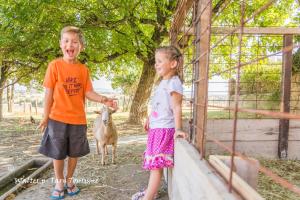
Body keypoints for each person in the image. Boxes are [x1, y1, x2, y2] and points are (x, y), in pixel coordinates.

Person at [38, 26, 117, 199]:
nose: (70, 44)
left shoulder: (83, 69)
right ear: (61, 44)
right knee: (57, 153)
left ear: (81, 46)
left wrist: (103, 99)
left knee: (74, 153)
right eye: (66, 41)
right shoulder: (54, 66)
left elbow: (88, 92)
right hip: (56, 118)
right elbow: (48, 93)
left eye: (75, 42)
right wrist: (45, 117)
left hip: (78, 120)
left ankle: (69, 180)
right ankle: (59, 182)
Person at [132, 46, 188, 200]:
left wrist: (178, 129)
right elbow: (158, 104)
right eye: (155, 61)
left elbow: (176, 107)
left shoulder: (173, 83)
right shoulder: (162, 82)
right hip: (156, 128)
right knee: (153, 162)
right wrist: (150, 118)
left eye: (160, 61)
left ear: (173, 64)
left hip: (164, 130)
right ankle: (152, 191)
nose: (156, 64)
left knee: (155, 166)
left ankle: (148, 197)